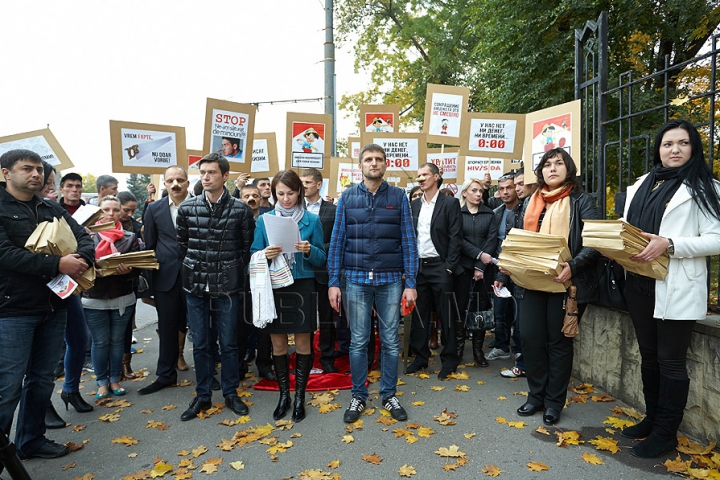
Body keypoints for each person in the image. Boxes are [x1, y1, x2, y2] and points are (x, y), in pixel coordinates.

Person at [621, 120, 720, 458]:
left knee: (671, 361)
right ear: (658, 149)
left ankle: (666, 434)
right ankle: (652, 419)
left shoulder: (706, 187)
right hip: (638, 283)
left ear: (694, 148)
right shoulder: (640, 186)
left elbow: (717, 238)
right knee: (648, 356)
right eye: (667, 144)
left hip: (676, 285)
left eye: (683, 143)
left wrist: (672, 244)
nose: (674, 149)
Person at [0, 149, 94, 460]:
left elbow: (84, 237)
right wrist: (57, 264)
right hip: (12, 310)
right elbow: (6, 254)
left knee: (41, 379)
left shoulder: (50, 207)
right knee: (8, 386)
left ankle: (31, 441)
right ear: (5, 174)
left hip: (54, 306)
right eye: (27, 169)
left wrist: (79, 258)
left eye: (39, 169)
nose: (36, 174)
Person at [505, 148, 599, 426]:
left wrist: (575, 264)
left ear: (568, 168)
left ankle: (554, 402)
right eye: (547, 164)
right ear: (541, 171)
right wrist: (509, 261)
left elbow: (595, 241)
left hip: (565, 283)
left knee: (558, 344)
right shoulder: (530, 201)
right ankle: (536, 396)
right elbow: (517, 238)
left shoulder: (581, 200)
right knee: (531, 340)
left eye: (559, 163)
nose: (553, 168)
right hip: (531, 282)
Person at [328, 143, 418, 423]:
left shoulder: (399, 197)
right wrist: (333, 281)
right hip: (355, 280)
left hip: (391, 280)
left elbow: (408, 241)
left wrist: (411, 282)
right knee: (358, 342)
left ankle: (388, 395)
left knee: (391, 342)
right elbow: (338, 241)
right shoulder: (347, 198)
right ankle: (358, 395)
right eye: (369, 159)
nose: (374, 163)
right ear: (361, 165)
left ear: (385, 164)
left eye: (379, 159)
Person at [176, 153, 255, 421]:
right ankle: (203, 395)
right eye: (203, 172)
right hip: (195, 284)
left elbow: (246, 249)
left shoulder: (241, 209)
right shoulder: (187, 209)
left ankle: (231, 393)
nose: (206, 177)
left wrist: (229, 270)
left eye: (211, 172)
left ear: (225, 176)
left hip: (228, 285)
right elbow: (183, 246)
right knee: (200, 343)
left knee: (230, 343)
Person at [251, 169, 326, 422]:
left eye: (291, 193)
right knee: (279, 344)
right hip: (275, 285)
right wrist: (265, 254)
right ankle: (284, 395)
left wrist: (309, 250)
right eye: (280, 193)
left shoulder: (312, 220)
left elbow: (322, 258)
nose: (285, 199)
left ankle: (300, 397)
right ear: (273, 194)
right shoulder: (264, 220)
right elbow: (253, 252)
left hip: (302, 286)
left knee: (303, 343)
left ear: (300, 192)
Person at [139, 166, 192, 396]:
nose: (175, 184)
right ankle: (166, 375)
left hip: (197, 276)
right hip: (166, 278)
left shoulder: (201, 205)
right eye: (170, 180)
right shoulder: (154, 209)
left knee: (203, 327)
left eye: (180, 179)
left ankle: (208, 374)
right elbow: (150, 245)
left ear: (188, 183)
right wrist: (150, 284)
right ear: (164, 184)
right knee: (167, 327)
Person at [82, 195, 141, 400]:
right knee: (100, 342)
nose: (111, 214)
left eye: (115, 210)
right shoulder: (86, 236)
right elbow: (78, 265)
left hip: (121, 296)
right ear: (99, 211)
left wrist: (128, 271)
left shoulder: (130, 237)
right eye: (106, 209)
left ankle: (115, 379)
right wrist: (92, 271)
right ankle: (101, 382)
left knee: (117, 341)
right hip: (93, 296)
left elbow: (139, 269)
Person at [407, 163, 462, 379]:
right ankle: (420, 358)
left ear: (436, 177)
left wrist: (449, 267)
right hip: (419, 267)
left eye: (425, 175)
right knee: (420, 315)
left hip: (441, 266)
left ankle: (449, 360)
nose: (420, 179)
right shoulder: (414, 206)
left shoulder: (450, 203)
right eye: (418, 176)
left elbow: (456, 237)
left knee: (446, 316)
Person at [455, 178, 497, 367]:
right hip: (462, 268)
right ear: (464, 193)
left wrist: (481, 266)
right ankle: (458, 350)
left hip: (484, 270)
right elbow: (458, 239)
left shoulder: (489, 214)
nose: (478, 194)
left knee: (480, 309)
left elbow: (492, 239)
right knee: (460, 309)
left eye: (480, 191)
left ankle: (478, 351)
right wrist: (478, 255)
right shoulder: (457, 213)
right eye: (474, 190)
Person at [301, 167, 340, 373]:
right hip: (302, 271)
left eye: (307, 182)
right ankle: (305, 358)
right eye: (302, 182)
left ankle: (327, 358)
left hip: (324, 271)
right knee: (304, 317)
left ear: (318, 184)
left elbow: (336, 241)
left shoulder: (332, 211)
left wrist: (313, 250)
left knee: (326, 317)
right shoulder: (295, 208)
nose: (303, 186)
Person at [487, 173, 523, 363]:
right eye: (501, 189)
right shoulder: (497, 213)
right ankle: (501, 346)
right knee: (500, 311)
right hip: (498, 268)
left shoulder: (524, 211)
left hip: (517, 269)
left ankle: (518, 348)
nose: (505, 192)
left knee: (518, 311)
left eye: (509, 187)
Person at [117, 191, 143, 380]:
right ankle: (111, 367)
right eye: (126, 210)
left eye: (133, 211)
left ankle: (126, 364)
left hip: (129, 282)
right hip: (105, 286)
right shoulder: (102, 227)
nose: (129, 214)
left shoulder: (137, 227)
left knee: (126, 326)